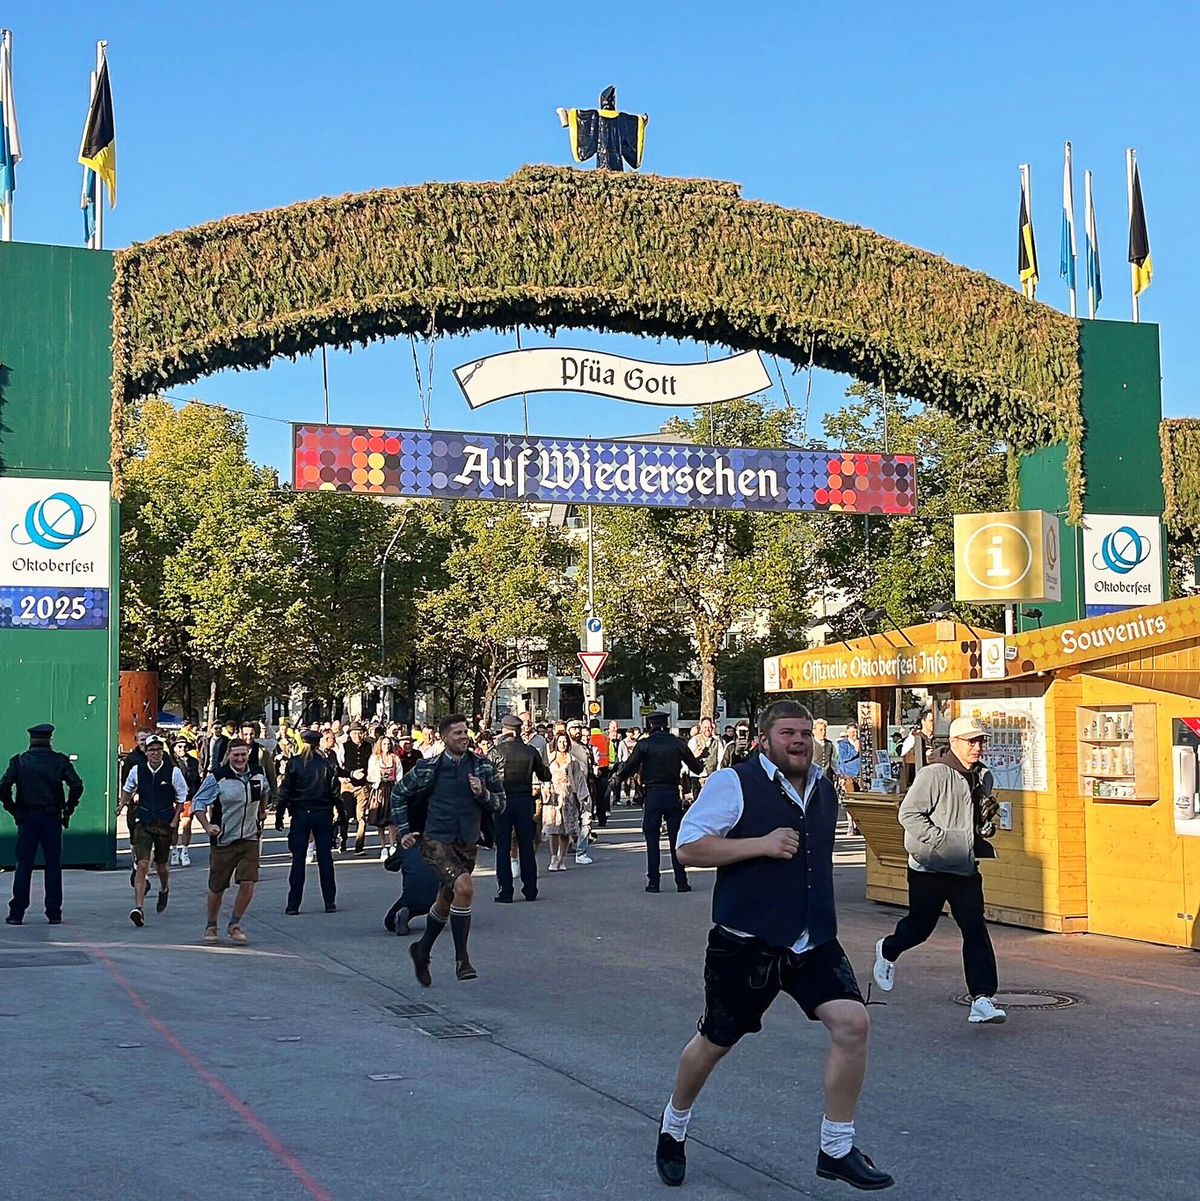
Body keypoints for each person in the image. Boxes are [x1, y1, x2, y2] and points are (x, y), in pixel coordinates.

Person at [655, 700, 893, 1192]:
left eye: (805, 732)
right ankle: (674, 1126)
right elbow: (688, 847)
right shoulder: (733, 783)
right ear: (763, 740)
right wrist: (759, 844)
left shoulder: (825, 787)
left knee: (853, 1022)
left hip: (811, 939)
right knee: (715, 1042)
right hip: (745, 942)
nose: (799, 740)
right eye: (788, 733)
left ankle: (837, 1147)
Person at [873, 716, 1006, 1025]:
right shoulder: (934, 774)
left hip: (964, 866)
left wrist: (984, 827)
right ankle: (888, 949)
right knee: (920, 927)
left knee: (974, 928)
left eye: (980, 741)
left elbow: (972, 821)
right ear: (954, 743)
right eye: (971, 741)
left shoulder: (983, 777)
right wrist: (941, 841)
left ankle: (982, 998)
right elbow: (909, 814)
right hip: (929, 866)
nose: (977, 746)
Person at [392, 714, 506, 985]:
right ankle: (462, 959)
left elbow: (501, 804)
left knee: (446, 899)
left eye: (465, 732)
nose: (464, 737)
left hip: (466, 841)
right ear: (444, 737)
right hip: (436, 839)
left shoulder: (481, 766)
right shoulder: (428, 767)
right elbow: (399, 793)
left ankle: (421, 950)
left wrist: (482, 794)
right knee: (465, 887)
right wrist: (405, 830)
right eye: (457, 733)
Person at [610, 712, 705, 893]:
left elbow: (629, 767)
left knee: (651, 838)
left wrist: (616, 779)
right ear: (666, 724)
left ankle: (654, 881)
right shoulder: (678, 743)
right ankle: (681, 881)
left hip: (653, 793)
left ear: (650, 725)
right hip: (671, 793)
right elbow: (697, 768)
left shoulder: (644, 744)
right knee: (676, 838)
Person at [2, 724, 83, 926]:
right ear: (50, 739)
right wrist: (68, 808)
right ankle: (54, 912)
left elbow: (3, 787)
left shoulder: (19, 761)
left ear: (31, 740)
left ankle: (17, 912)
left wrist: (14, 809)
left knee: (24, 865)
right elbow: (76, 784)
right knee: (53, 864)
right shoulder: (59, 761)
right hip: (51, 817)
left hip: (27, 817)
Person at [192, 740, 270, 945]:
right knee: (217, 886)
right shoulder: (218, 777)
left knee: (248, 882)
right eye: (236, 755)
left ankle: (234, 924)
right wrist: (207, 826)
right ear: (228, 755)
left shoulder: (257, 772)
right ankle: (211, 925)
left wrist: (262, 810)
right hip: (224, 839)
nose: (240, 759)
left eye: (243, 754)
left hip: (250, 837)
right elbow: (198, 802)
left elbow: (264, 791)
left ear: (248, 753)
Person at [120, 736, 188, 926]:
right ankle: (138, 908)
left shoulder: (172, 772)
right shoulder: (137, 770)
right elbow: (128, 788)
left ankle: (164, 888)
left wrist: (175, 820)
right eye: (152, 750)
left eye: (159, 749)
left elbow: (181, 797)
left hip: (164, 823)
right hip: (144, 820)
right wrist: (122, 804)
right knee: (143, 864)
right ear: (146, 752)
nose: (155, 753)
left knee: (161, 867)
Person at [276, 730, 344, 915]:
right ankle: (329, 901)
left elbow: (285, 791)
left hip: (300, 814)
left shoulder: (294, 763)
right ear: (317, 744)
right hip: (322, 814)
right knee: (325, 859)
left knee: (298, 860)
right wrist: (342, 814)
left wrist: (279, 814)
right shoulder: (327, 765)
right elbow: (335, 794)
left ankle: (293, 904)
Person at [489, 714, 551, 901]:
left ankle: (505, 891)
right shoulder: (530, 751)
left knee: (503, 847)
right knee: (526, 846)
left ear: (505, 730)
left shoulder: (495, 752)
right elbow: (545, 775)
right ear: (518, 730)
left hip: (502, 802)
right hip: (525, 801)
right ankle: (530, 889)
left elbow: (486, 777)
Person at [544, 731, 587, 871]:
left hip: (568, 796)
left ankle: (561, 859)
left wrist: (583, 798)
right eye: (560, 741)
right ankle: (553, 858)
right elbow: (542, 775)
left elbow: (580, 779)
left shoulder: (572, 760)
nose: (563, 744)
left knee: (565, 830)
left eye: (565, 742)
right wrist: (543, 788)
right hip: (553, 796)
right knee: (553, 829)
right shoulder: (549, 758)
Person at [338, 721, 373, 855]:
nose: (357, 735)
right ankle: (343, 840)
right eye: (354, 733)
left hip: (363, 786)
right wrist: (344, 777)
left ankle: (359, 846)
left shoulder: (369, 746)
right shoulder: (344, 747)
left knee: (361, 817)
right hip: (348, 785)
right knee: (345, 815)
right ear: (350, 734)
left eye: (359, 733)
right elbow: (339, 765)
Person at [366, 734, 402, 860]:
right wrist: (379, 778)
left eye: (388, 744)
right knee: (380, 821)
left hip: (391, 789)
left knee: (392, 820)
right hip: (379, 791)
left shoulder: (395, 758)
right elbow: (370, 776)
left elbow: (399, 775)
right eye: (384, 744)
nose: (386, 746)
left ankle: (393, 845)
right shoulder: (374, 759)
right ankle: (383, 847)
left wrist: (395, 782)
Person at [565, 720, 596, 863]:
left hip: (585, 788)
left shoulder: (585, 748)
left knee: (586, 819)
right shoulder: (566, 747)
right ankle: (567, 846)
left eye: (579, 728)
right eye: (574, 728)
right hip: (570, 789)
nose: (578, 731)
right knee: (570, 820)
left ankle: (581, 851)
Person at [169, 736, 202, 867]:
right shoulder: (169, 761)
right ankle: (174, 851)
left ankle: (185, 850)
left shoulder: (194, 761)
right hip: (173, 798)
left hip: (189, 796)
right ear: (174, 748)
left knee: (187, 825)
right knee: (174, 826)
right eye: (179, 746)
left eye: (184, 746)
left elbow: (197, 779)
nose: (182, 749)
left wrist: (198, 795)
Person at [835, 724, 862, 793]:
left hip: (861, 776)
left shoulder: (861, 742)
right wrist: (855, 750)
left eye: (856, 732)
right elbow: (843, 758)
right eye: (853, 732)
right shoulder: (843, 744)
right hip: (849, 777)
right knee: (851, 799)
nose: (855, 734)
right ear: (848, 733)